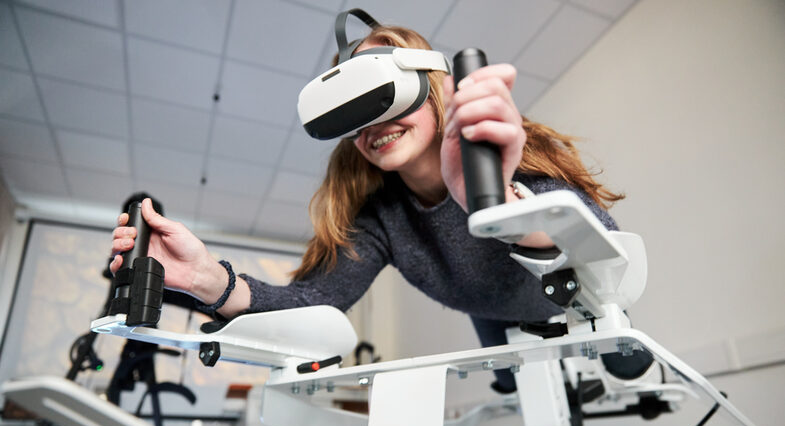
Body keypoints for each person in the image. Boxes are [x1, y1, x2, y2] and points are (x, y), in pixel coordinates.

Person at [111, 23, 645, 392]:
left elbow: (604, 242)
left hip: (584, 307)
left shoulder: (503, 155)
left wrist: (493, 197)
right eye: (355, 113)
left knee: (620, 378)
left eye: (384, 95)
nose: (373, 124)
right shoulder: (382, 219)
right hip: (493, 324)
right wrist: (207, 279)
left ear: (432, 88)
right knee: (512, 387)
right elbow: (314, 301)